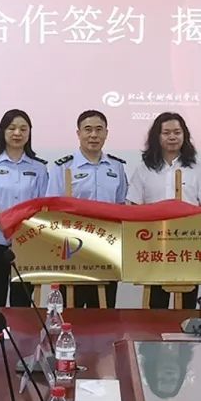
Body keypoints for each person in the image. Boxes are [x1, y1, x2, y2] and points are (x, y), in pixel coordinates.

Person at [128, 112, 201, 309]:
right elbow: (134, 208)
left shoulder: (198, 169)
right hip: (154, 249)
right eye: (166, 133)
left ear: (184, 135)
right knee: (155, 308)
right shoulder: (144, 170)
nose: (172, 137)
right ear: (157, 137)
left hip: (188, 249)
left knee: (187, 308)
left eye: (177, 132)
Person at [47, 110, 127, 308]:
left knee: (104, 308)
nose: (93, 135)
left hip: (107, 247)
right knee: (71, 308)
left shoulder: (116, 166)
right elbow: (52, 207)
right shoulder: (64, 167)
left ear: (106, 133)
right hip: (73, 247)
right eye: (88, 130)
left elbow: (121, 206)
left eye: (99, 130)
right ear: (78, 133)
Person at [0, 109, 49, 307]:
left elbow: (42, 207)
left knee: (22, 303)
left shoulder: (39, 168)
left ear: (29, 133)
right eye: (12, 128)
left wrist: (21, 233)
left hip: (28, 243)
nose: (17, 133)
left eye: (23, 129)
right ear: (3, 131)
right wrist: (9, 228)